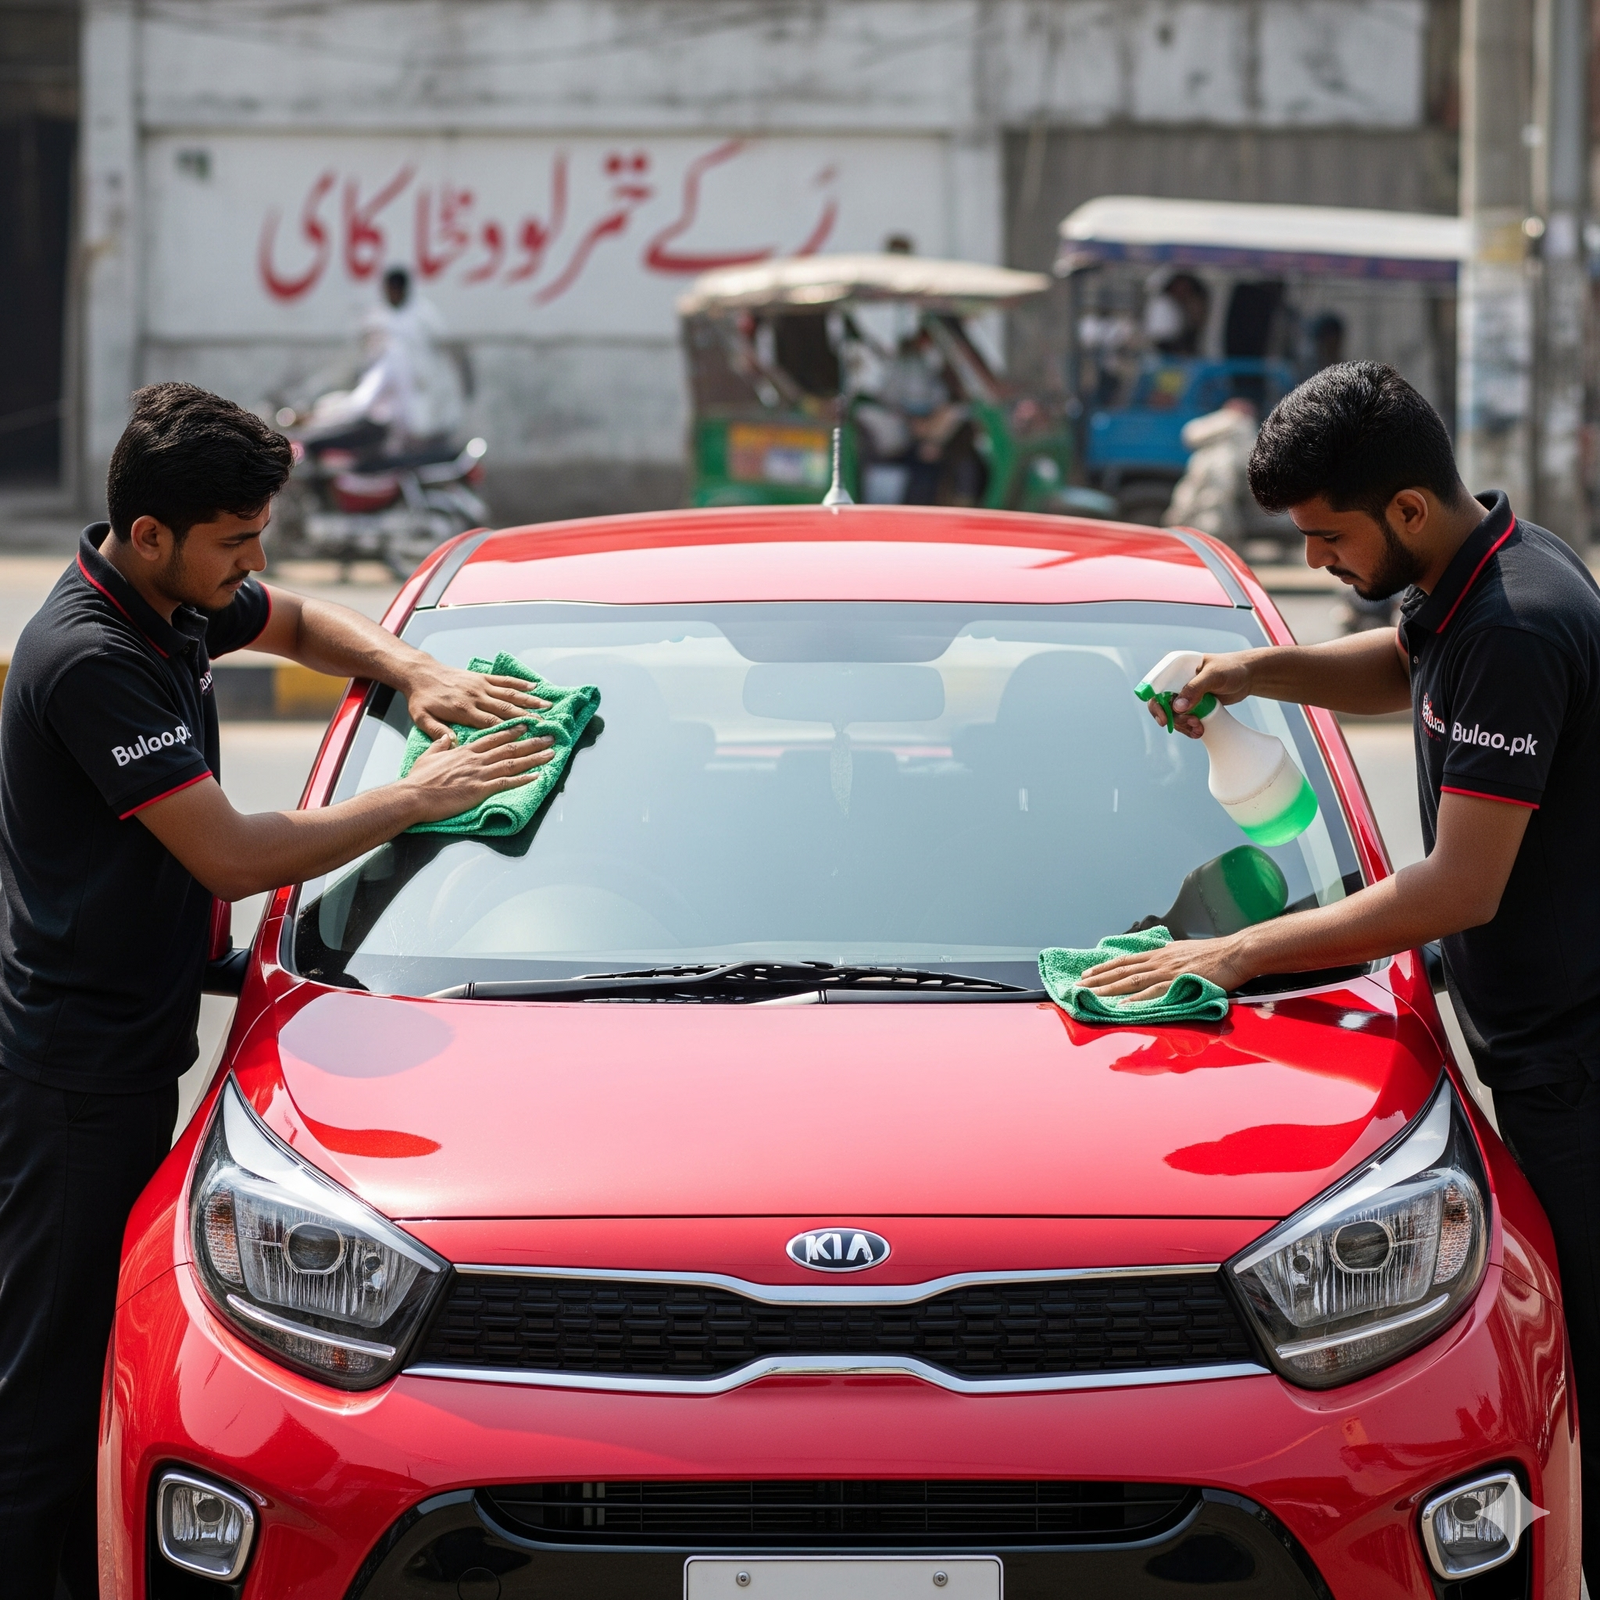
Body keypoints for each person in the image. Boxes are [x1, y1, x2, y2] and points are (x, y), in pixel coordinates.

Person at [0, 382, 554, 1597]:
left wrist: (414, 669)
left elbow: (298, 622)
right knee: (51, 1385)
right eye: (237, 541)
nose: (254, 563)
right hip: (75, 1074)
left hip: (135, 1039)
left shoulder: (170, 598)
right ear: (152, 533)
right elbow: (233, 854)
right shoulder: (92, 656)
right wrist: (418, 795)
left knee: (98, 1353)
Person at [1081, 360, 1600, 1583]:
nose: (1316, 560)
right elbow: (1400, 666)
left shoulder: (1517, 626)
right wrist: (1248, 672)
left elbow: (1454, 888)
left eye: (1327, 537)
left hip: (1577, 1066)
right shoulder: (1475, 579)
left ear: (1406, 508)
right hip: (1543, 1049)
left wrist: (1229, 951)